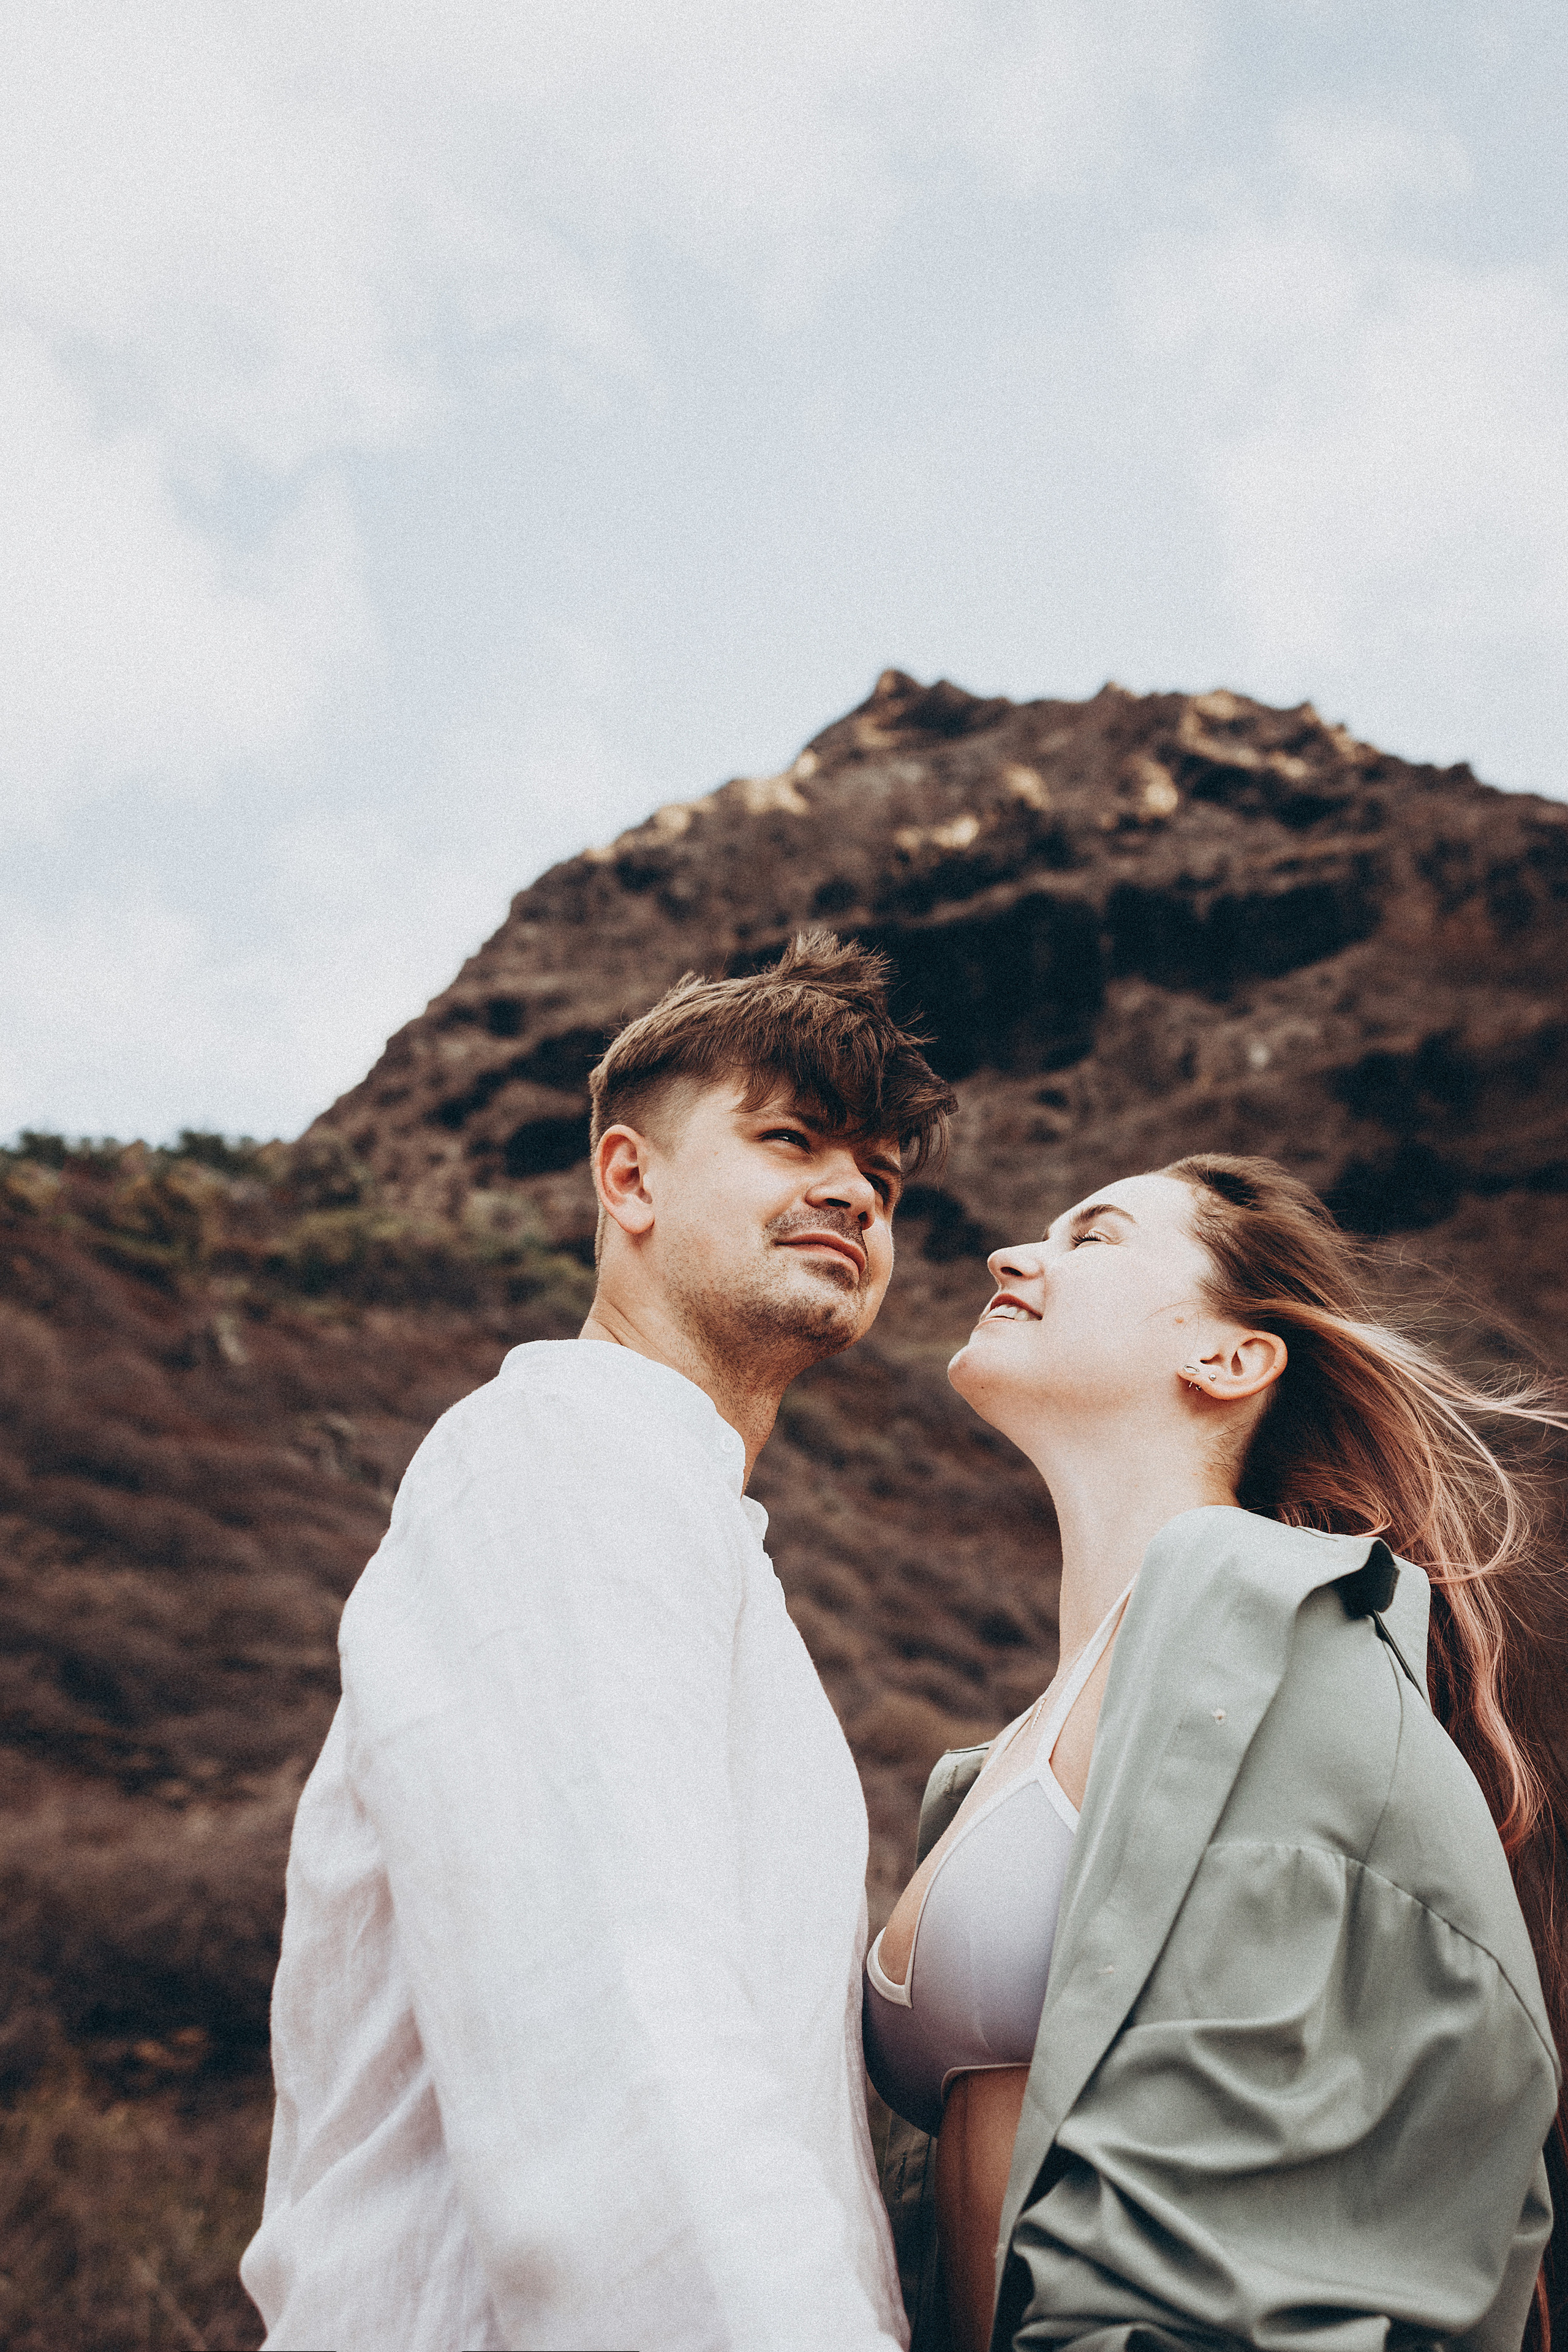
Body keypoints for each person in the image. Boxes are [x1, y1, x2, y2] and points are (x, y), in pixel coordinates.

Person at [241, 930, 955, 2351]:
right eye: (791, 1139)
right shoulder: (562, 1452)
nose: (849, 1193)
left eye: (879, 1178)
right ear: (628, 1179)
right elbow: (615, 2029)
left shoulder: (685, 1518)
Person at [866, 1153, 1564, 2352]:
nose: (1011, 1255)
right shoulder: (991, 1768)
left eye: (1092, 1237)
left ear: (1230, 1360)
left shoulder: (1277, 1626)